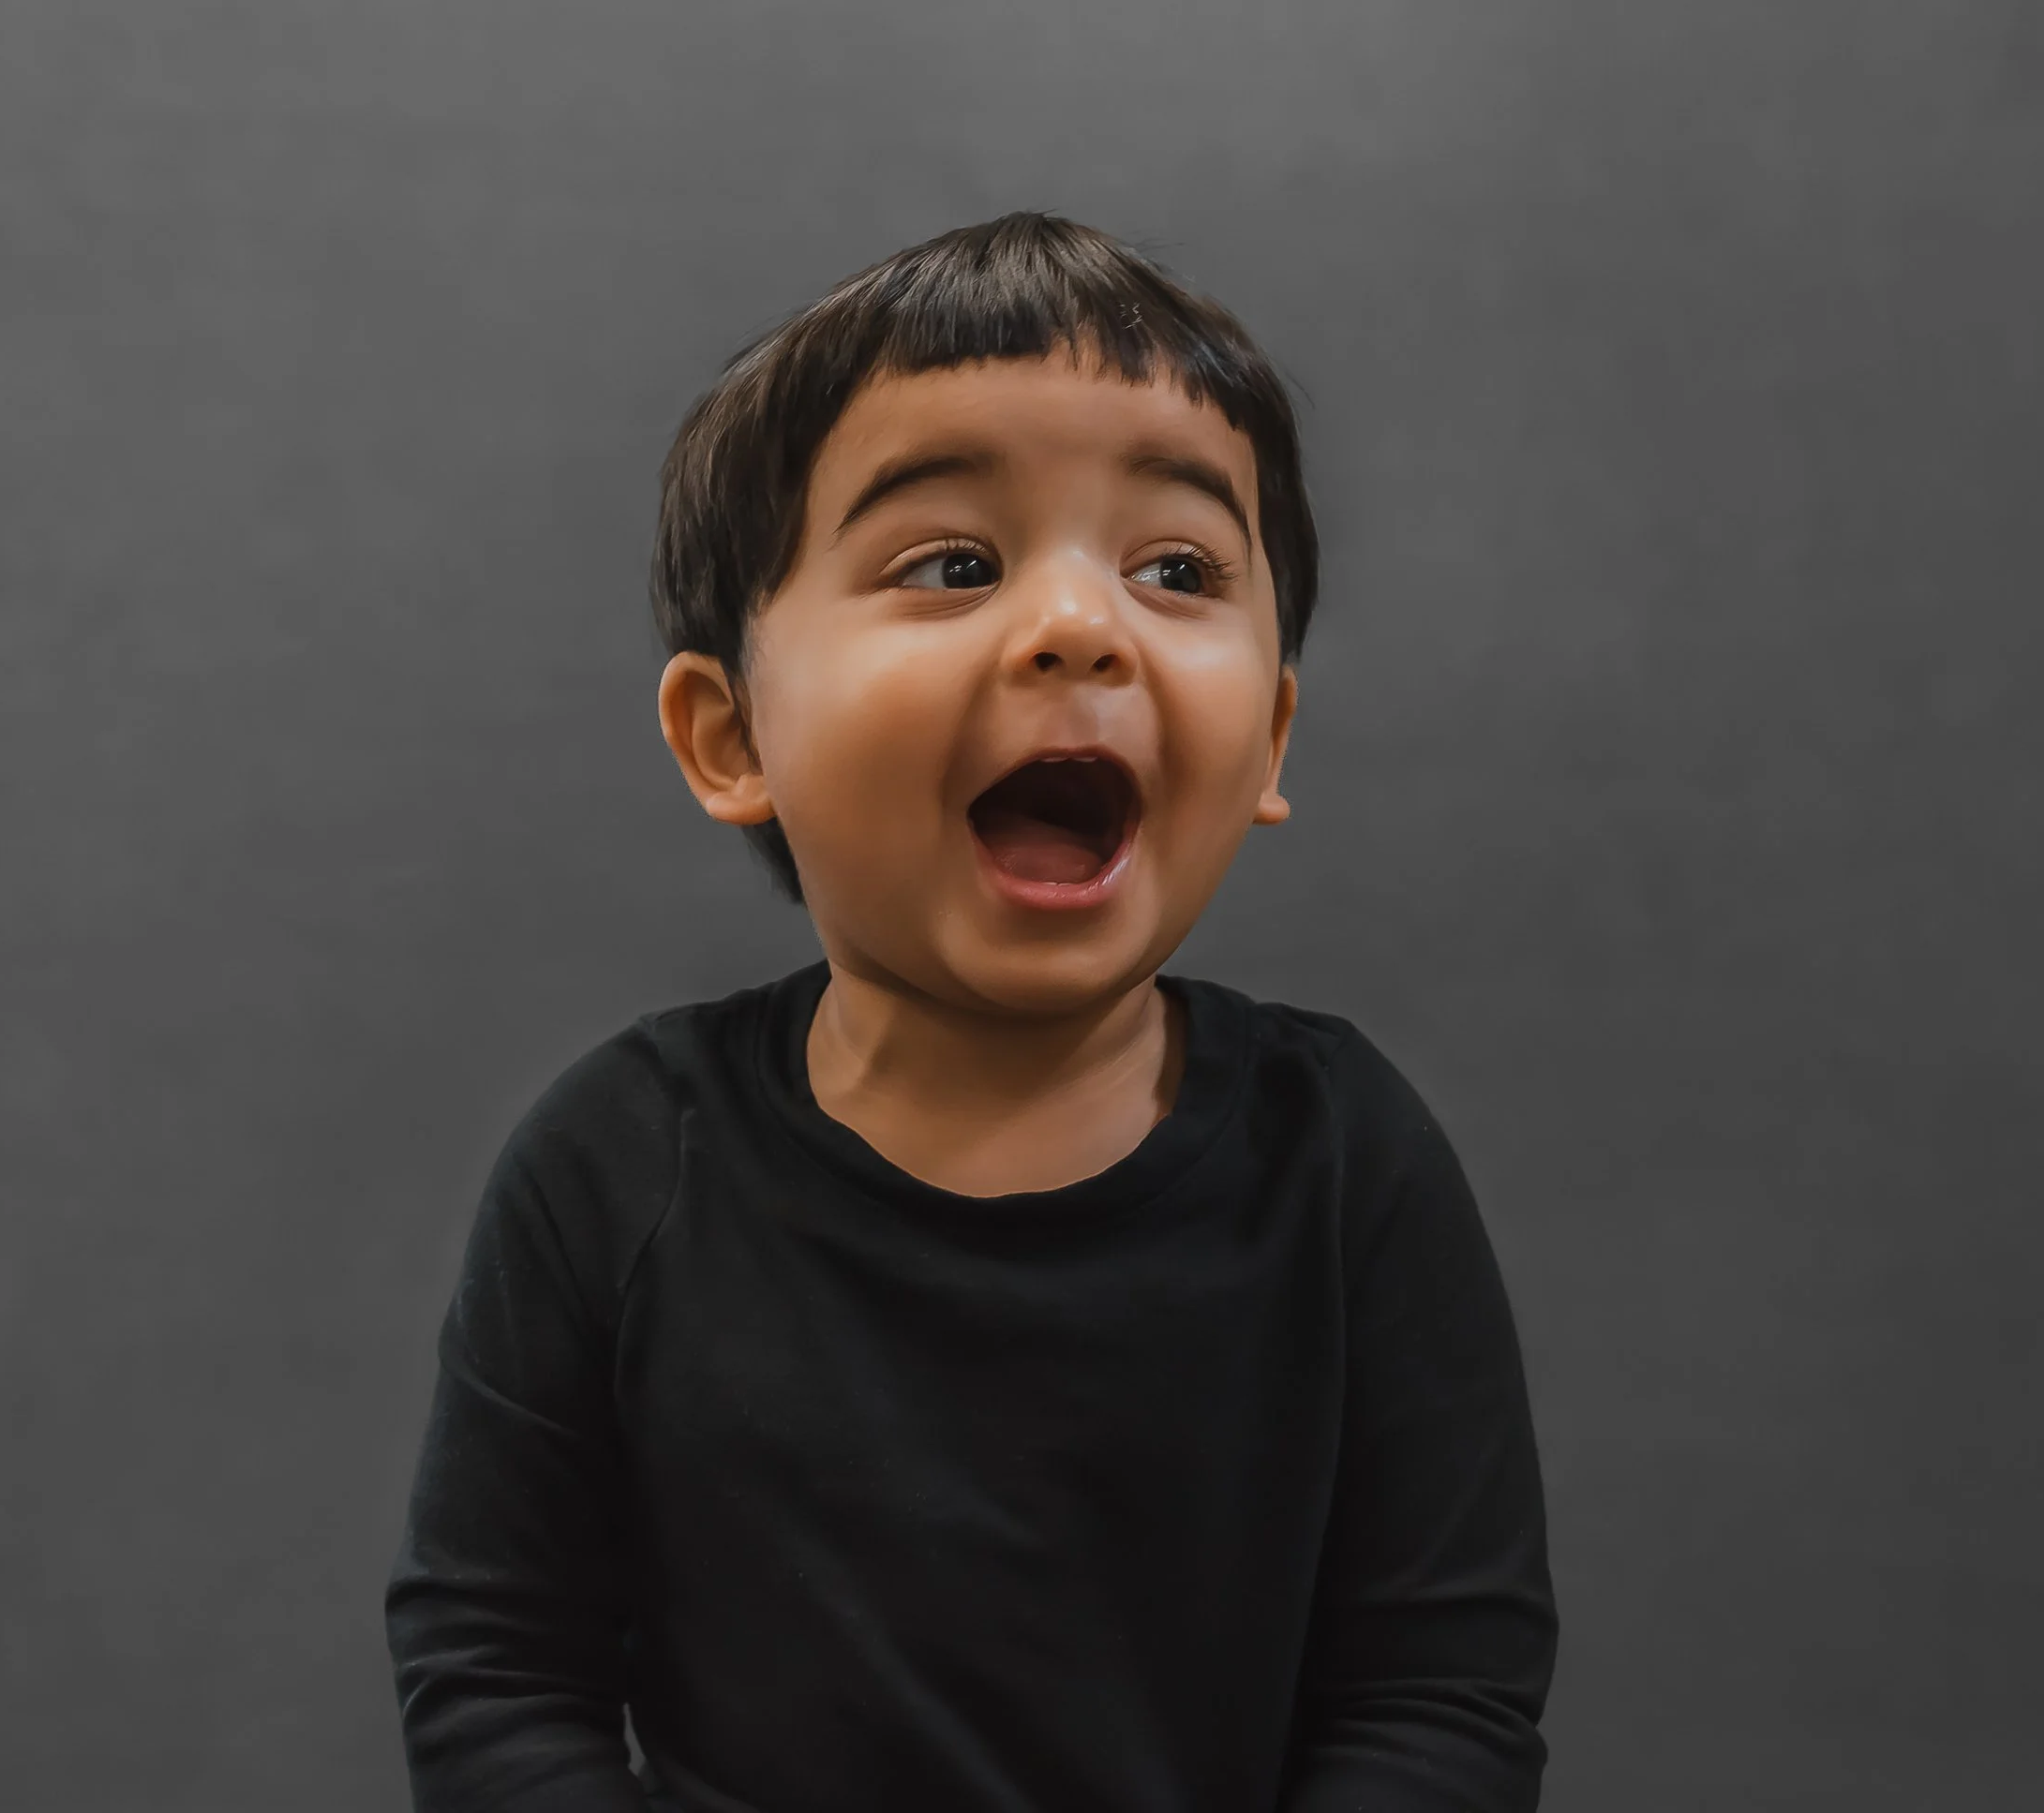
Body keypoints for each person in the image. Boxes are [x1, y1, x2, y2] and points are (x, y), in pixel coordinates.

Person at [384, 211, 1558, 1812]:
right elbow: (498, 1669)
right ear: (732, 737)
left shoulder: (1346, 1163)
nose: (1083, 625)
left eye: (1177, 568)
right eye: (952, 563)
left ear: (1272, 733)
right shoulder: (616, 1165)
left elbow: (1441, 1696)